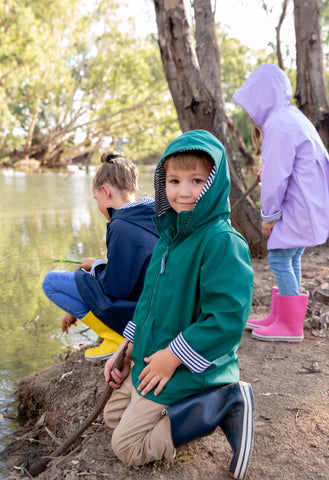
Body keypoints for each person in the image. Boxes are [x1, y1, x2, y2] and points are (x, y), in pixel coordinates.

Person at [102, 130, 255, 480]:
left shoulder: (222, 242)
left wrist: (174, 357)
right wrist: (126, 348)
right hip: (152, 354)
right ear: (162, 182)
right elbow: (148, 302)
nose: (183, 191)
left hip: (191, 364)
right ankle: (181, 410)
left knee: (127, 447)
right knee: (113, 418)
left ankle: (223, 404)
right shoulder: (169, 236)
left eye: (197, 180)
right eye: (174, 180)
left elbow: (227, 318)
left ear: (214, 183)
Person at [233, 63, 329, 343]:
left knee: (278, 257)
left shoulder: (276, 125)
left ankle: (290, 325)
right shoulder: (291, 117)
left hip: (298, 203)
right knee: (290, 256)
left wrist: (269, 215)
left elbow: (277, 177)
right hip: (310, 200)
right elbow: (291, 161)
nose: (250, 111)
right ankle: (282, 315)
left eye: (252, 102)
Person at [42, 153, 159, 361]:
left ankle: (115, 338)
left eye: (96, 199)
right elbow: (133, 270)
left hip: (138, 315)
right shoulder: (151, 213)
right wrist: (99, 266)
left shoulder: (121, 225)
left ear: (105, 191)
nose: (97, 206)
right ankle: (115, 335)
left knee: (51, 282)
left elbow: (116, 288)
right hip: (153, 308)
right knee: (82, 280)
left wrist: (95, 267)